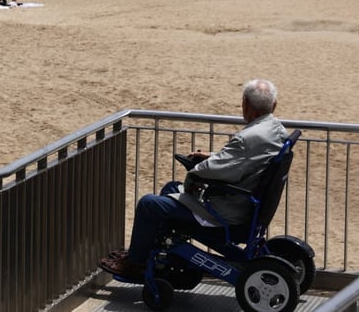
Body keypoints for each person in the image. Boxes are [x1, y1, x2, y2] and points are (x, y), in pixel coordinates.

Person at [98, 79, 287, 279]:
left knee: (149, 204)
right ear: (274, 105)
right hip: (250, 208)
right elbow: (244, 159)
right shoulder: (277, 131)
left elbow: (211, 170)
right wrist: (212, 156)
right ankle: (148, 253)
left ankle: (136, 263)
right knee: (171, 189)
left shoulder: (246, 138)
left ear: (245, 104)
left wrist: (194, 174)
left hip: (228, 213)